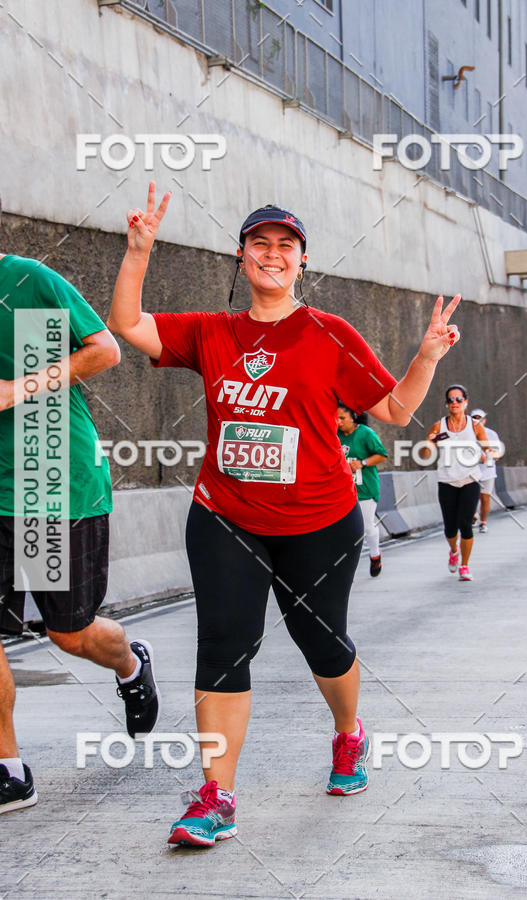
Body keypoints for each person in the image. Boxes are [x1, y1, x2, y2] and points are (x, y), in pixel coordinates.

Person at [108, 183, 461, 847]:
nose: (273, 254)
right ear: (242, 257)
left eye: (286, 246)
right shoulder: (212, 331)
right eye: (260, 244)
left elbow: (392, 411)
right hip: (226, 515)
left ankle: (348, 735)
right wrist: (138, 251)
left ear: (301, 262)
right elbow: (129, 325)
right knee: (222, 644)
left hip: (320, 521)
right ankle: (217, 795)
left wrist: (427, 357)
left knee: (322, 646)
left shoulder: (328, 333)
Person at [0, 197, 160, 815]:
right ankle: (10, 768)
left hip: (49, 478)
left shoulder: (27, 282)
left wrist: (19, 388)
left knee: (68, 634)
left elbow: (105, 350)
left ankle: (129, 662)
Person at [421, 385, 489, 581]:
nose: (455, 403)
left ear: (466, 402)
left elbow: (489, 451)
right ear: (446, 404)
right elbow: (426, 455)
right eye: (451, 400)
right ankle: (453, 551)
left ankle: (465, 566)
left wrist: (485, 456)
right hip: (447, 480)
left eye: (459, 399)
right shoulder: (439, 427)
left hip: (470, 479)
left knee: (465, 524)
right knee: (450, 527)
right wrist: (429, 442)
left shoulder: (475, 426)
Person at [337, 404, 387, 576]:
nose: (339, 422)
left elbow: (382, 454)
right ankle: (345, 569)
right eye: (336, 418)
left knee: (366, 526)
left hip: (365, 488)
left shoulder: (365, 433)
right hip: (342, 490)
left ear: (353, 417)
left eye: (342, 418)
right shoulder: (335, 435)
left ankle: (375, 555)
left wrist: (362, 463)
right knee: (342, 531)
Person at [471, 408, 501, 533]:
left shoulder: (492, 434)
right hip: (471, 471)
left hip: (488, 471)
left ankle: (483, 522)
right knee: (472, 497)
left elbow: (497, 454)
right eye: (475, 418)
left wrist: (488, 457)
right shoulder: (466, 434)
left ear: (484, 420)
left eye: (480, 418)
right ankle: (473, 516)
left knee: (485, 498)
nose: (477, 420)